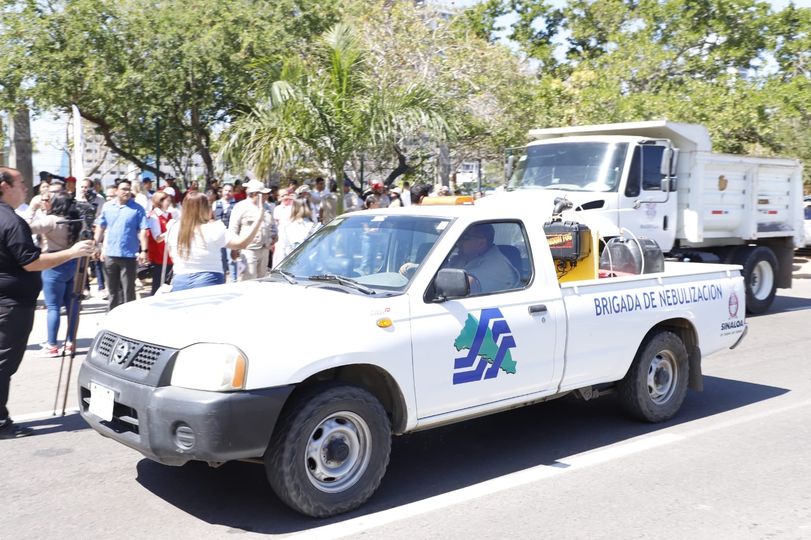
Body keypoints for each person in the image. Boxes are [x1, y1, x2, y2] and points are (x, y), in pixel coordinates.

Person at [0, 167, 94, 439]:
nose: (26, 188)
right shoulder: (10, 220)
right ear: (5, 186)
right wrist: (73, 252)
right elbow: (31, 262)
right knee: (4, 364)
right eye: (21, 183)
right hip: (11, 305)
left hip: (8, 300)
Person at [166, 192, 265, 291]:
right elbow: (241, 243)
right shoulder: (214, 228)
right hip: (209, 279)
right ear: (204, 209)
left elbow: (171, 253)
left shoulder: (173, 227)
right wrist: (259, 220)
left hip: (180, 279)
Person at [26, 192, 84, 357]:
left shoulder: (51, 220)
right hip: (73, 261)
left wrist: (32, 208)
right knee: (73, 307)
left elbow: (26, 227)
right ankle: (71, 342)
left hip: (54, 263)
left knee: (53, 307)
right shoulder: (77, 220)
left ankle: (52, 345)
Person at [94, 179, 149, 311]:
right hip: (110, 255)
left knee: (128, 291)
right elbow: (100, 226)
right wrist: (96, 245)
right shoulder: (107, 207)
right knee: (112, 291)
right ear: (117, 191)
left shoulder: (137, 209)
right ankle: (112, 315)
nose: (127, 192)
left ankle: (129, 318)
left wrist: (144, 251)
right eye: (124, 189)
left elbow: (143, 230)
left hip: (128, 255)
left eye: (129, 189)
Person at [443, 223, 520, 294]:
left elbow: (468, 283)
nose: (458, 243)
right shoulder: (465, 257)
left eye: (464, 238)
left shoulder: (496, 266)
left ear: (481, 243)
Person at [229, 180, 276, 280]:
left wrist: (274, 237)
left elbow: (273, 227)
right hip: (248, 251)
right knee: (247, 280)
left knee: (262, 280)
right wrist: (234, 249)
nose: (267, 196)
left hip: (265, 249)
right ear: (255, 194)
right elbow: (233, 229)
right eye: (263, 194)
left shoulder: (267, 207)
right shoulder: (240, 207)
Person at [146, 191, 174, 295]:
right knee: (158, 287)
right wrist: (171, 230)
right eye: (167, 201)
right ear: (160, 201)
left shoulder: (169, 215)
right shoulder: (154, 216)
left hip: (169, 256)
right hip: (159, 257)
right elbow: (157, 238)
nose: (169, 203)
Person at [275, 198, 317, 263]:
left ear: (293, 209)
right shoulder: (316, 227)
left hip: (291, 265)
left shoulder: (286, 227)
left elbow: (282, 251)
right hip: (311, 264)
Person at [212, 183, 237, 281]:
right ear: (222, 191)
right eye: (226, 190)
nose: (227, 193)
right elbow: (212, 218)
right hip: (219, 234)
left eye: (230, 191)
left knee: (231, 260)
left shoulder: (236, 205)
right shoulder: (216, 203)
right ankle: (222, 281)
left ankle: (234, 281)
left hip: (231, 235)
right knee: (221, 259)